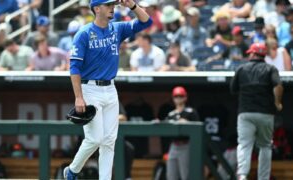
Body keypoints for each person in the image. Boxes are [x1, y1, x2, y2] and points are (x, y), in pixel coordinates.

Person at [65, 0, 152, 179]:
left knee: (109, 141)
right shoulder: (84, 33)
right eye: (108, 5)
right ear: (97, 9)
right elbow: (74, 67)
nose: (112, 7)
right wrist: (78, 97)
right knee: (95, 138)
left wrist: (133, 6)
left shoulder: (117, 29)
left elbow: (147, 22)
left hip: (110, 89)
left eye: (113, 4)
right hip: (89, 88)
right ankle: (72, 170)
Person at [230, 43, 283, 180]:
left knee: (244, 145)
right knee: (265, 146)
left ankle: (242, 175)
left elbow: (233, 89)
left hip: (246, 113)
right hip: (265, 113)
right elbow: (278, 86)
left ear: (253, 54)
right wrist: (277, 102)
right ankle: (263, 178)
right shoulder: (270, 69)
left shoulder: (241, 68)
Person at [165, 86, 200, 180]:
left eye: (180, 96)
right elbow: (165, 128)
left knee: (186, 175)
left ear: (185, 97)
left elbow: (198, 127)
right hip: (174, 145)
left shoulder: (191, 112)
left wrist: (187, 123)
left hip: (186, 145)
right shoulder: (171, 114)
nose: (178, 98)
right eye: (176, 96)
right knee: (171, 175)